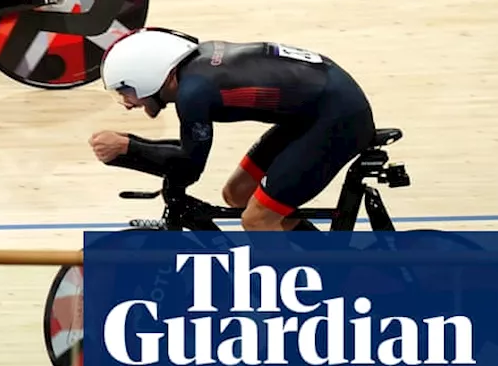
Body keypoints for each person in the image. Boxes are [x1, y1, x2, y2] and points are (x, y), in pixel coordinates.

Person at [88, 27, 377, 231]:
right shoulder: (195, 67)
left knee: (257, 220)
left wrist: (128, 148)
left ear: (146, 74)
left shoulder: (194, 92)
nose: (126, 103)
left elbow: (190, 165)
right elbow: (188, 149)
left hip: (338, 118)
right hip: (316, 108)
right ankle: (318, 258)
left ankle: (305, 300)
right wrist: (131, 147)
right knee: (238, 194)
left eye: (125, 90)